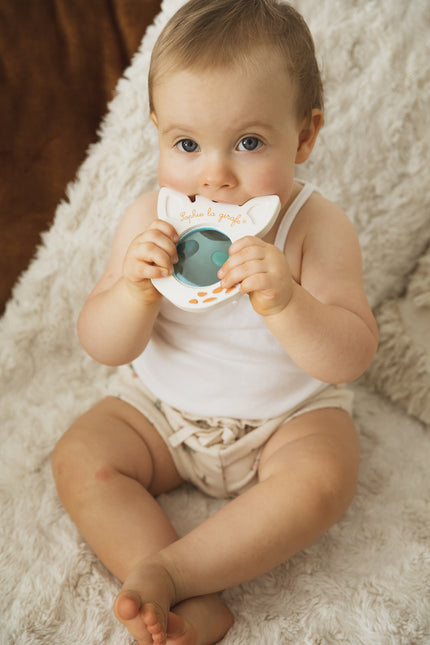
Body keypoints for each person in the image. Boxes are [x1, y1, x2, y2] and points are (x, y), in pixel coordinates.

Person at [51, 0, 378, 643]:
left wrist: (288, 303)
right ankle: (167, 586)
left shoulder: (317, 227)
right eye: (187, 144)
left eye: (249, 143)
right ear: (157, 131)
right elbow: (101, 343)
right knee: (80, 458)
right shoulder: (150, 218)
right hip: (161, 412)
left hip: (284, 421)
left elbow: (351, 354)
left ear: (304, 136)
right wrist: (133, 295)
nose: (215, 175)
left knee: (324, 479)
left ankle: (176, 572)